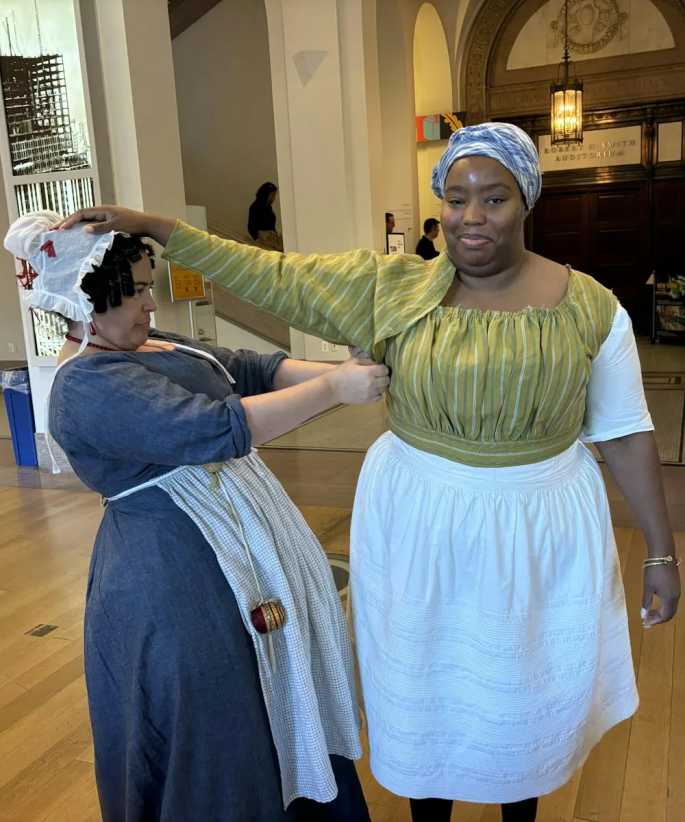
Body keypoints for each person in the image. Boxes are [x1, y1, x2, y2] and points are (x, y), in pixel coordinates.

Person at [59, 122, 680, 822]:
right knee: (421, 681)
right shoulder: (390, 289)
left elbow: (625, 433)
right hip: (416, 519)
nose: (470, 217)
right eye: (454, 197)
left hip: (536, 526)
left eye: (494, 198)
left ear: (526, 200)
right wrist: (157, 227)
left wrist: (659, 550)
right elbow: (271, 274)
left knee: (523, 684)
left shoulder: (590, 308)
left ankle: (520, 807)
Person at [4, 211, 388, 821]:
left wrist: (353, 375)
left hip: (235, 536)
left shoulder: (155, 343)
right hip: (174, 568)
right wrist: (335, 390)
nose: (150, 304)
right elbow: (218, 428)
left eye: (147, 285)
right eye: (134, 291)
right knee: (220, 711)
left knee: (272, 689)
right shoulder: (83, 386)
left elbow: (252, 369)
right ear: (85, 298)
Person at [248, 181, 282, 249]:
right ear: (266, 194)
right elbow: (251, 227)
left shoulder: (268, 207)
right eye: (272, 195)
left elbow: (271, 225)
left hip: (271, 238)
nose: (274, 198)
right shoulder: (255, 207)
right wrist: (260, 237)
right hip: (264, 240)